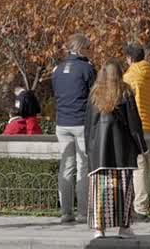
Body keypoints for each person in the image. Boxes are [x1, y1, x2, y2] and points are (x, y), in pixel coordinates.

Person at [84, 60, 146, 240]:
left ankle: (99, 229)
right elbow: (134, 123)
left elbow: (88, 126)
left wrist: (89, 150)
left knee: (99, 191)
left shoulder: (95, 93)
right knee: (124, 190)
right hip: (123, 151)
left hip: (99, 153)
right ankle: (124, 228)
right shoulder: (125, 92)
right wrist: (141, 146)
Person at [52, 33, 95, 224]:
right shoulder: (86, 69)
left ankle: (65, 212)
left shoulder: (57, 69)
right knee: (83, 166)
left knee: (66, 167)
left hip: (62, 123)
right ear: (82, 48)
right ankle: (83, 212)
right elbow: (94, 94)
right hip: (80, 122)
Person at [121, 43, 150, 221]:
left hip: (136, 127)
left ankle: (139, 208)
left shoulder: (130, 77)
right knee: (146, 167)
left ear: (129, 59)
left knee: (137, 168)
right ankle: (141, 205)